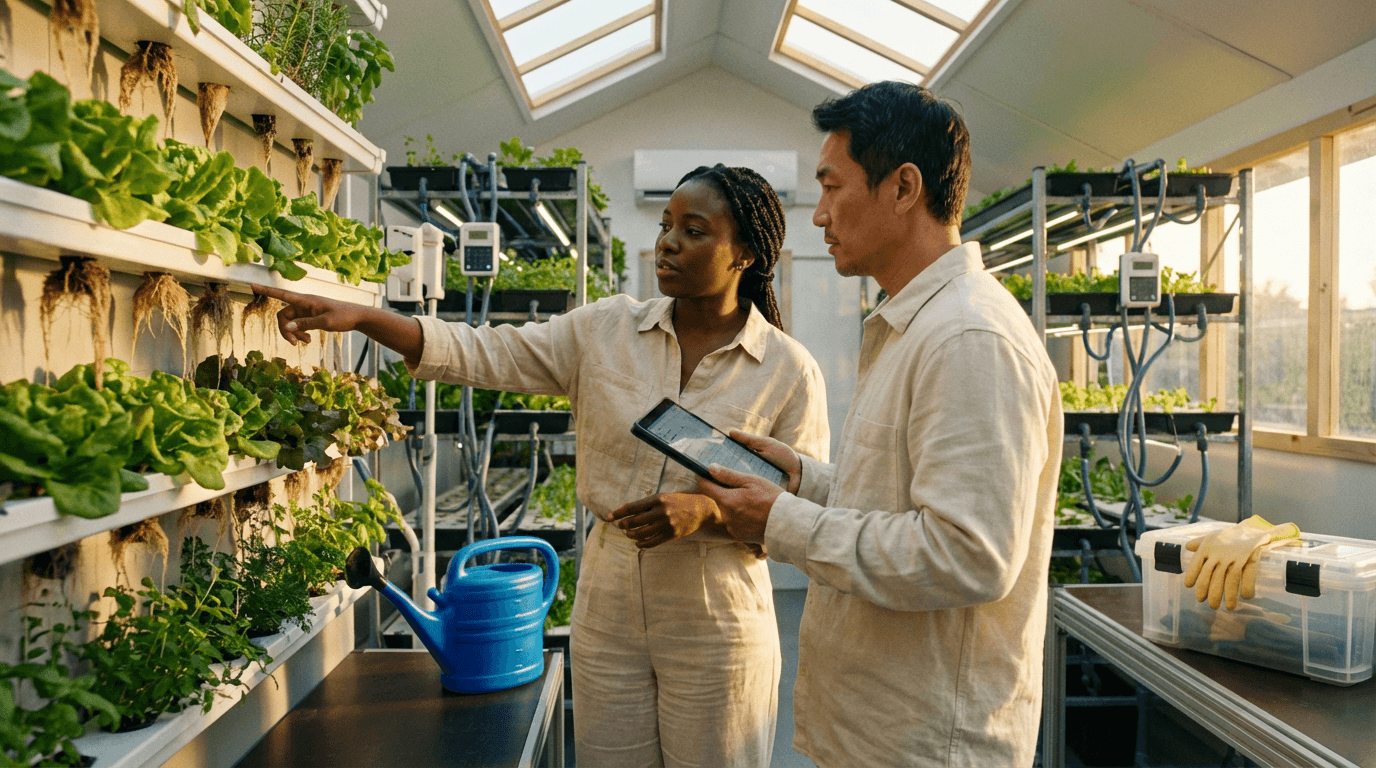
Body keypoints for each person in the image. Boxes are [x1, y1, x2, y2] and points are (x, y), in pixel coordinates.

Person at [253, 163, 829, 768]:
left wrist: (708, 512)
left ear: (745, 254)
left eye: (695, 230)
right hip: (609, 598)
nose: (669, 241)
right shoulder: (607, 330)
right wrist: (366, 317)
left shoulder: (786, 370)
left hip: (717, 611)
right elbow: (485, 350)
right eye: (666, 225)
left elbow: (799, 515)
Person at [695, 81, 1063, 766]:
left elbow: (967, 555)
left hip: (928, 745)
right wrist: (805, 481)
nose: (820, 215)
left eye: (833, 187)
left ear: (903, 188)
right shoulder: (913, 327)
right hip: (881, 732)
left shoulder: (968, 337)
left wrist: (782, 521)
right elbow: (901, 500)